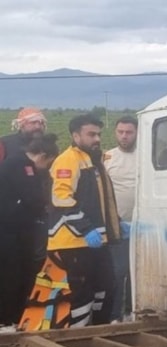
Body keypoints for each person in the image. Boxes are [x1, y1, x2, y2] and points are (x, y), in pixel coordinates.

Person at [47, 114, 125, 327]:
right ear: (76, 136)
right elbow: (61, 199)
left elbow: (100, 201)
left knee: (106, 287)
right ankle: (79, 337)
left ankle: (98, 331)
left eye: (98, 134)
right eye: (91, 134)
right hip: (74, 241)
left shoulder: (93, 160)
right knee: (82, 294)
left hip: (96, 240)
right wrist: (86, 228)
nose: (97, 139)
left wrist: (115, 224)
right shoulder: (68, 160)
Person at [0, 134, 59, 328]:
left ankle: (13, 316)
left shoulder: (16, 161)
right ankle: (9, 318)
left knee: (17, 272)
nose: (47, 168)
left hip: (15, 228)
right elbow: (33, 198)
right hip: (10, 230)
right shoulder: (22, 165)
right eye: (48, 163)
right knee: (13, 274)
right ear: (42, 156)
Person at [103, 116, 137, 322]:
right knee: (119, 271)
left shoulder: (146, 156)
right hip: (119, 227)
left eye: (129, 132)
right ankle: (115, 315)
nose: (124, 136)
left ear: (137, 133)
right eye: (121, 132)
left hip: (144, 227)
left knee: (138, 273)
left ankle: (133, 312)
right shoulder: (108, 158)